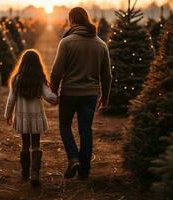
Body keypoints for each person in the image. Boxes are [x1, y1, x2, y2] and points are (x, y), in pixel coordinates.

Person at [50, 7, 112, 180]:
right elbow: (107, 75)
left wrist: (54, 91)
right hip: (90, 95)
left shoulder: (67, 42)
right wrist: (105, 97)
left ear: (71, 20)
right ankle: (84, 170)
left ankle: (73, 158)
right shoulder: (101, 44)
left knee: (64, 125)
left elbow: (56, 72)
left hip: (69, 93)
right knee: (86, 130)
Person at [5, 49, 58, 186]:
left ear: (22, 63)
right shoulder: (39, 79)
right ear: (37, 64)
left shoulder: (16, 79)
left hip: (22, 117)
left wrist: (8, 114)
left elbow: (11, 99)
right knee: (36, 145)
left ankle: (24, 172)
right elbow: (48, 96)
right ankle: (34, 174)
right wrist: (57, 98)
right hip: (36, 118)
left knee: (25, 144)